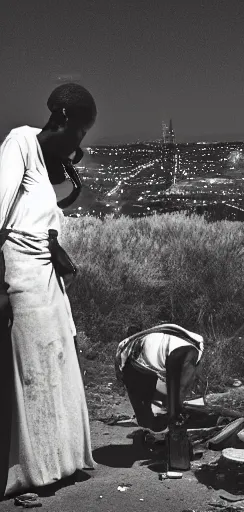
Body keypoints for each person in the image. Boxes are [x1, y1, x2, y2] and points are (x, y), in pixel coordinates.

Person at [0, 83, 97, 497]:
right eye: (80, 131)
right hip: (23, 277)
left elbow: (38, 215)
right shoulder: (20, 141)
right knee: (35, 377)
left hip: (47, 281)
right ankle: (34, 469)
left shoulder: (43, 163)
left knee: (58, 368)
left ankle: (63, 461)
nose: (80, 140)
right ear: (62, 117)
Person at [115, 323, 205, 432]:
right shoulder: (129, 344)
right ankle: (154, 423)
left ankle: (161, 419)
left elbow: (180, 383)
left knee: (150, 401)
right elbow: (175, 384)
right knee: (145, 411)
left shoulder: (192, 345)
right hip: (136, 367)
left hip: (149, 365)